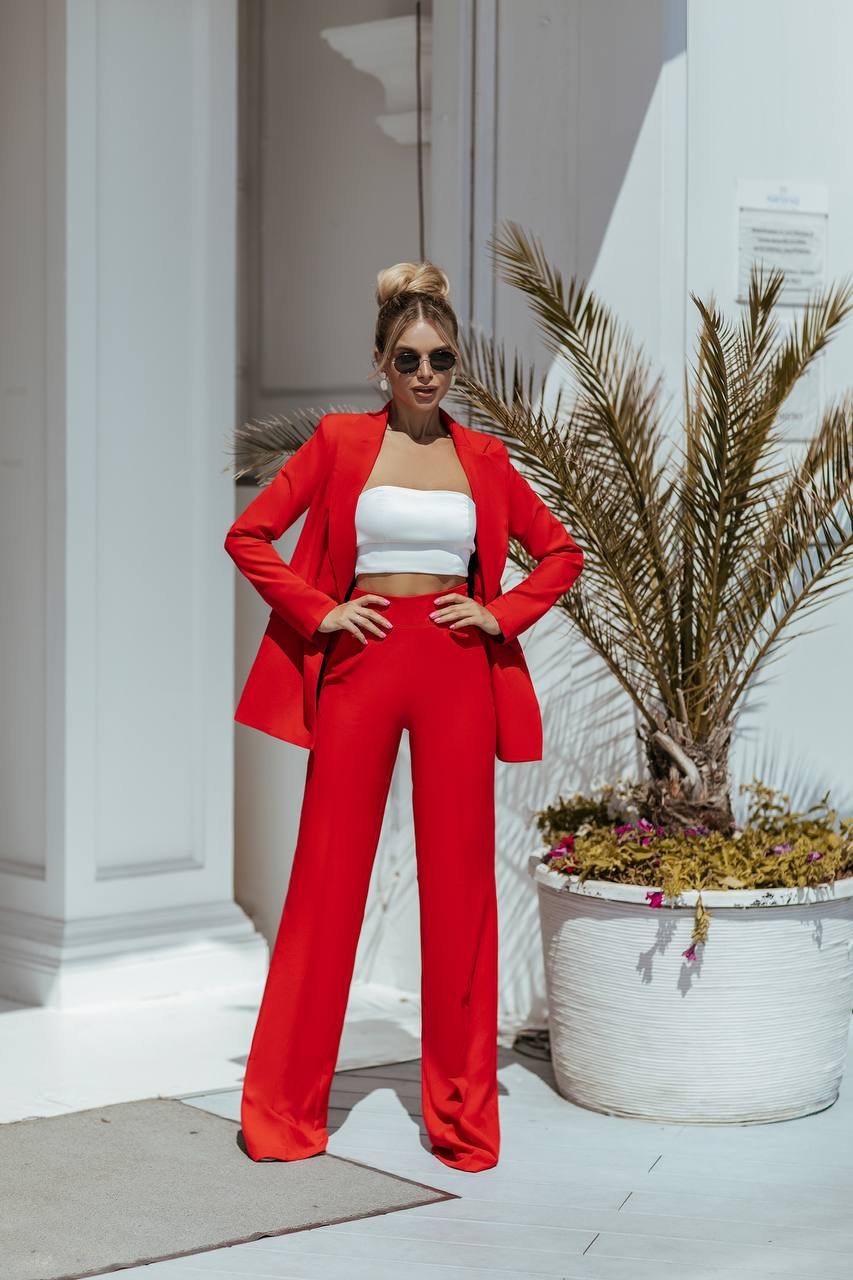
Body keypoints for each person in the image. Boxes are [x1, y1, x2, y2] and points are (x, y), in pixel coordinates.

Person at [225, 260, 584, 1172]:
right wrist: (321, 610)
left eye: (442, 358)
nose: (426, 373)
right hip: (362, 662)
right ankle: (284, 1113)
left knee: (460, 893)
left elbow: (557, 553)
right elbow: (250, 533)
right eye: (408, 357)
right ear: (380, 361)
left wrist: (496, 614)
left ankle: (462, 1119)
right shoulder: (343, 442)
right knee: (324, 884)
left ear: (455, 364)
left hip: (457, 667)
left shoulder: (485, 459)